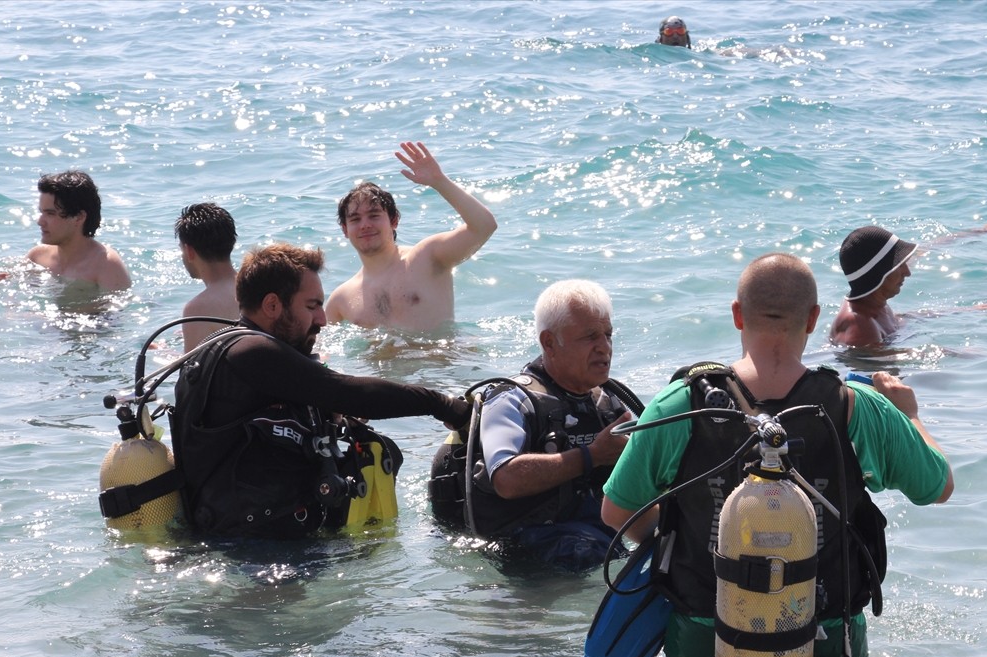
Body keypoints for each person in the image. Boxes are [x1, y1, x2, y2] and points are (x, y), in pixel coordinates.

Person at [601, 252, 953, 657]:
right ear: (812, 319)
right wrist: (912, 415)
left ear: (736, 315)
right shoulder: (857, 408)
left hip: (705, 638)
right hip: (823, 641)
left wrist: (684, 541)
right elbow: (937, 487)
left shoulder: (680, 404)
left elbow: (617, 514)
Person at [169, 242, 469, 538]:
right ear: (272, 305)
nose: (323, 320)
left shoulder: (231, 348)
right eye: (312, 306)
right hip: (251, 551)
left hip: (243, 538)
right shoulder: (252, 352)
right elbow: (350, 394)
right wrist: (443, 405)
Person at [436, 280, 639, 571]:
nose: (604, 347)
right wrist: (591, 456)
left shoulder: (608, 403)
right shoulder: (511, 400)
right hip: (518, 552)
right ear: (549, 342)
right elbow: (505, 478)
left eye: (608, 335)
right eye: (590, 337)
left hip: (591, 541)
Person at [325, 141, 497, 332]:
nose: (365, 225)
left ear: (394, 221)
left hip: (440, 360)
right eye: (355, 219)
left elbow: (484, 226)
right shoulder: (340, 300)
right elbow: (318, 352)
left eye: (374, 216)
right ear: (345, 230)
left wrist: (439, 181)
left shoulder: (427, 257)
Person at [26, 170, 130, 290]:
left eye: (50, 214)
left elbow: (122, 307)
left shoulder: (106, 265)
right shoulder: (37, 257)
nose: (40, 221)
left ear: (79, 217)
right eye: (41, 212)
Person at [830, 226, 918, 347]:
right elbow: (872, 362)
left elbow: (892, 321)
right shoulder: (860, 325)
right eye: (899, 265)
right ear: (879, 273)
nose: (908, 273)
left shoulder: (873, 305)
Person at [175, 203, 240, 351]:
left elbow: (190, 371)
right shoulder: (258, 285)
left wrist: (163, 352)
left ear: (189, 251)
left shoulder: (198, 309)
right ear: (232, 242)